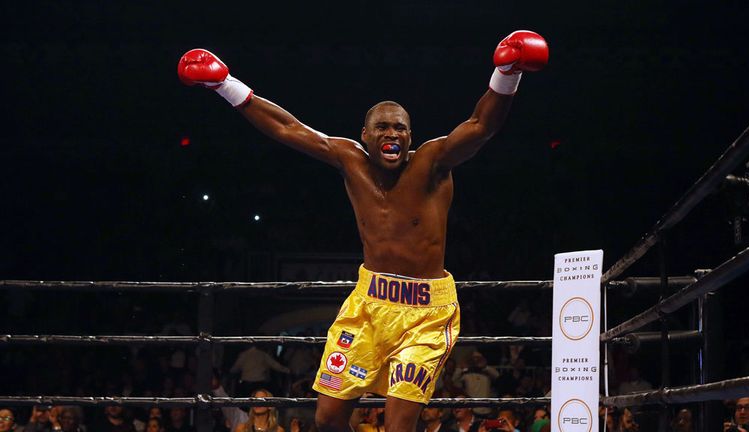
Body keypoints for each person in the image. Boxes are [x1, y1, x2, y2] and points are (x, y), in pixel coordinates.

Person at [179, 29, 548, 432]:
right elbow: (287, 128)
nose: (393, 135)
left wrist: (507, 73)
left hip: (426, 313)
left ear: (411, 135)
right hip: (369, 305)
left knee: (398, 422)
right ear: (366, 135)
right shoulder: (348, 159)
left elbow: (480, 125)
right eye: (384, 128)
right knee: (327, 417)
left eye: (401, 129)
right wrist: (224, 84)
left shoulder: (432, 162)